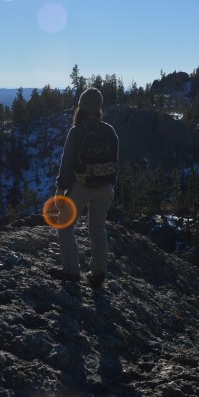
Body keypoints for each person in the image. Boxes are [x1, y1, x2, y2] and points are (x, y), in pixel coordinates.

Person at [50, 87, 119, 288]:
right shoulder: (109, 130)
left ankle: (71, 271)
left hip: (82, 186)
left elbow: (67, 164)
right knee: (97, 229)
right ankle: (98, 274)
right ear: (98, 108)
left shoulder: (77, 131)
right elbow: (115, 160)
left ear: (81, 107)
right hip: (105, 187)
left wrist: (60, 190)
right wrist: (109, 183)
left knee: (65, 225)